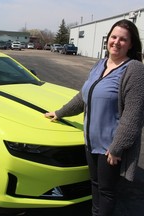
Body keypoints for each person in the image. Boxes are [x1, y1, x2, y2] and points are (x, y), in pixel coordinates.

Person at [45, 19, 144, 216]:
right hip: (91, 142)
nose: (116, 42)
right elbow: (84, 97)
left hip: (110, 147)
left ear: (131, 44)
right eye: (113, 37)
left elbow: (133, 115)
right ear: (107, 39)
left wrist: (117, 148)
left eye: (123, 39)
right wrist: (59, 112)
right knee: (95, 185)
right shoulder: (100, 64)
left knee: (106, 191)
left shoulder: (134, 70)